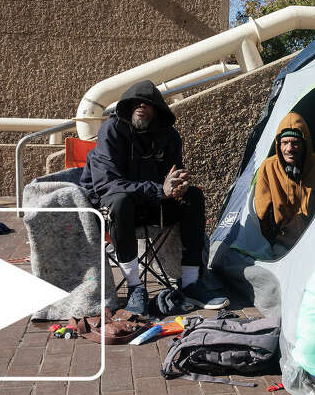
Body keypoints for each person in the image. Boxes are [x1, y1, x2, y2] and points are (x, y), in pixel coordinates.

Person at [79, 80, 228, 314]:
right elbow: (109, 185)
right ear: (127, 106)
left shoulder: (169, 136)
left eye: (148, 103)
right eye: (136, 102)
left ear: (157, 110)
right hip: (115, 209)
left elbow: (172, 178)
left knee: (194, 197)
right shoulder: (112, 130)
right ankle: (135, 287)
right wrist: (161, 190)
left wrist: (177, 188)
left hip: (152, 206)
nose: (142, 105)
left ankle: (189, 283)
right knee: (121, 200)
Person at [254, 112, 315, 257]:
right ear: (279, 145)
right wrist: (271, 241)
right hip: (284, 245)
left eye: (295, 143)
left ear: (305, 144)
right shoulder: (268, 167)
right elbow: (261, 213)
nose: (289, 148)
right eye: (285, 143)